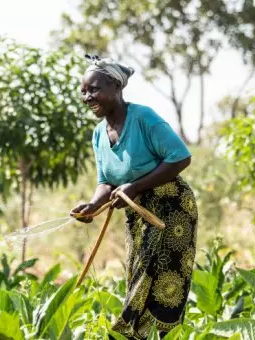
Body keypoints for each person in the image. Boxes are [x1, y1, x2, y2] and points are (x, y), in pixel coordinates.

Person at [71, 55, 198, 339]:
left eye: (93, 89)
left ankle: (145, 335)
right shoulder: (98, 134)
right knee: (138, 273)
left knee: (162, 280)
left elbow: (180, 158)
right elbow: (106, 181)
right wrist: (93, 205)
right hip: (137, 213)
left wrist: (135, 187)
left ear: (116, 85)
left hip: (171, 209)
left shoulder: (144, 118)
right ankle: (135, 335)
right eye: (83, 91)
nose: (87, 97)